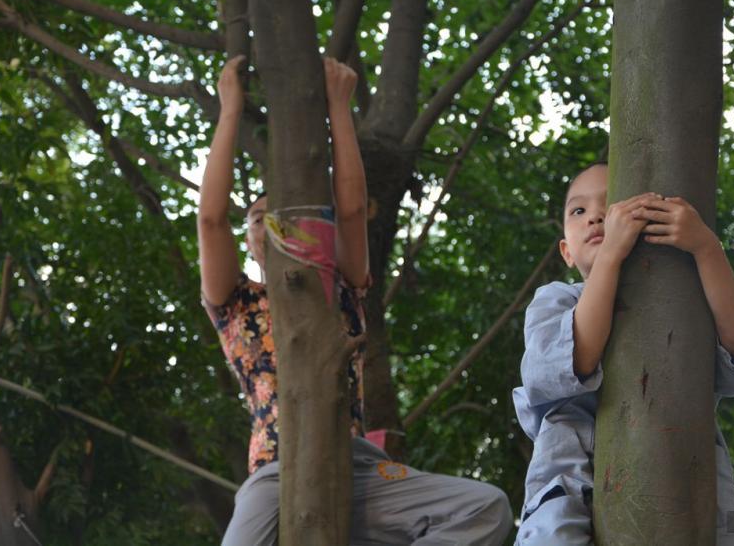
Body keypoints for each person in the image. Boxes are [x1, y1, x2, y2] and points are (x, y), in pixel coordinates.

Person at [198, 55, 513, 545]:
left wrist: (339, 108)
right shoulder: (238, 304)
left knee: (485, 508)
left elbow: (350, 208)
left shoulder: (340, 288)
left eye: (278, 212)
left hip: (356, 466)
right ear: (248, 241)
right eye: (258, 217)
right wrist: (230, 108)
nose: (269, 222)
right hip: (277, 468)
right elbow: (211, 219)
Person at [512, 162, 734, 545]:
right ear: (566, 251)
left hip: (681, 472)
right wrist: (610, 256)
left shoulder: (683, 306)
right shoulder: (557, 300)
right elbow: (579, 358)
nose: (596, 217)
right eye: (579, 211)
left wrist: (705, 246)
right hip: (572, 472)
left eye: (611, 204)